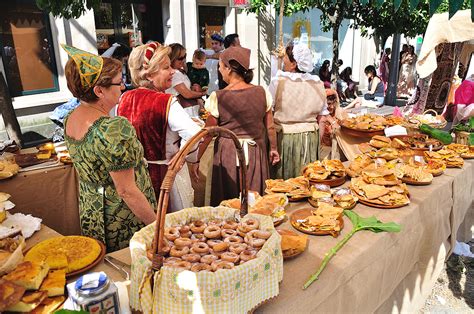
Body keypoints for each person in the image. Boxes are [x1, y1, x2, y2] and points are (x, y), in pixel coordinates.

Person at [61, 44, 157, 252]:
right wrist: (157, 227)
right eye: (118, 82)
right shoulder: (114, 128)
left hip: (91, 213)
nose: (123, 87)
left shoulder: (69, 118)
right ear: (99, 91)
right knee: (131, 273)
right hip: (122, 219)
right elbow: (127, 191)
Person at [118, 42, 201, 212]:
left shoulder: (124, 99)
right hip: (167, 176)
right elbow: (195, 133)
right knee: (173, 228)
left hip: (137, 178)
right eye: (166, 68)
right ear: (149, 75)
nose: (173, 71)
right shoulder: (166, 102)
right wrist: (181, 156)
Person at [195, 46, 280, 206]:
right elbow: (270, 127)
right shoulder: (262, 92)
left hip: (228, 152)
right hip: (256, 152)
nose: (219, 70)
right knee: (255, 198)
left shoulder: (218, 97)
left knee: (229, 200)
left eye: (220, 66)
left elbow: (208, 133)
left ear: (229, 68)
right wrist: (273, 148)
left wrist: (196, 158)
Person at [269, 41, 333, 180]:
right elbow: (322, 119)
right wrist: (316, 145)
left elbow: (268, 113)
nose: (283, 58)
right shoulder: (317, 83)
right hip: (310, 139)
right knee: (307, 179)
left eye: (285, 56)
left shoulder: (278, 81)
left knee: (286, 181)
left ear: (294, 64)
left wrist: (272, 145)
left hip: (285, 139)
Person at [166, 43, 206, 119]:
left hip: (190, 111)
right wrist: (202, 93)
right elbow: (187, 94)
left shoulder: (180, 71)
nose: (184, 59)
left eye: (185, 56)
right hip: (183, 112)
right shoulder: (174, 74)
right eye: (180, 58)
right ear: (172, 59)